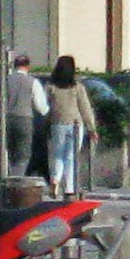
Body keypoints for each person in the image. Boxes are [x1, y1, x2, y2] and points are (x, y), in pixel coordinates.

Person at [43, 57, 96, 197]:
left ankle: (55, 179)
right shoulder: (77, 87)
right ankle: (70, 188)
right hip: (75, 124)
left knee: (58, 155)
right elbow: (85, 108)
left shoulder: (50, 87)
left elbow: (44, 108)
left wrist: (45, 125)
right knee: (71, 157)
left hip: (57, 124)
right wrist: (92, 128)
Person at [4, 54, 46, 180]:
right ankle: (17, 180)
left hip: (7, 118)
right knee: (23, 154)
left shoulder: (5, 80)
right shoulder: (33, 82)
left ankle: (10, 176)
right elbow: (41, 106)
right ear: (27, 66)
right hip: (24, 119)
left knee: (10, 152)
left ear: (14, 65)